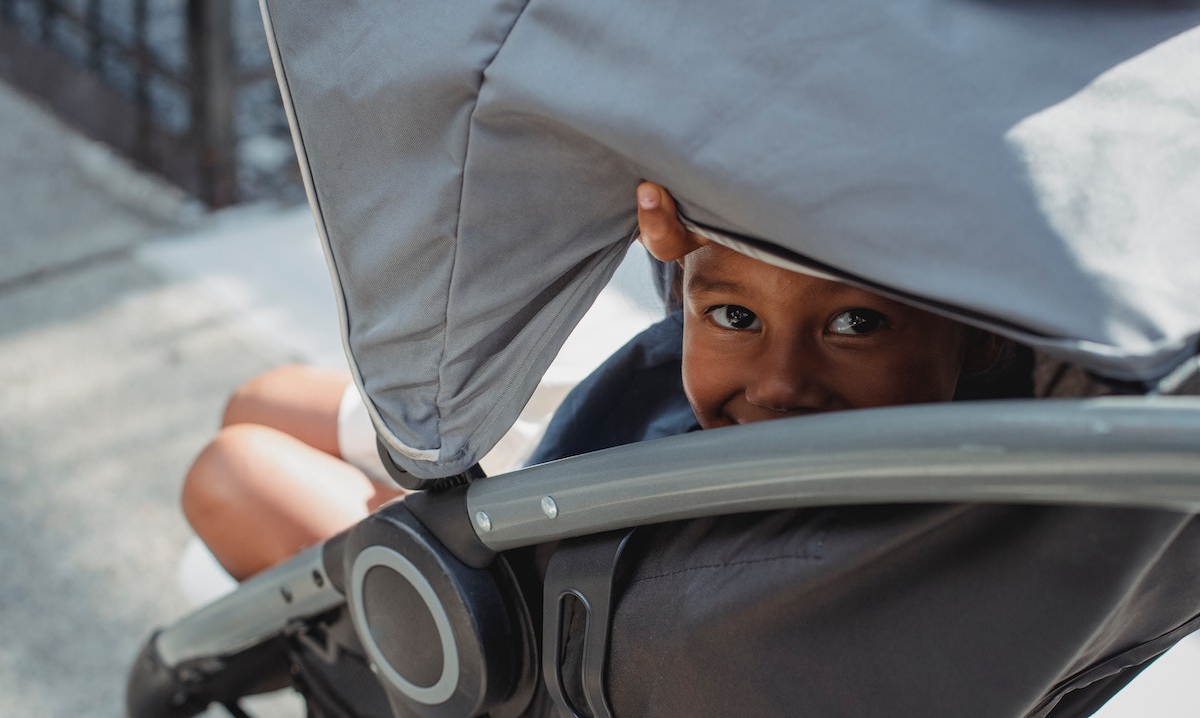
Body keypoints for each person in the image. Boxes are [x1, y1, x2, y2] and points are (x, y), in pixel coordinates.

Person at [183, 181, 1012, 580]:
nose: (783, 384)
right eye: (734, 318)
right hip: (614, 435)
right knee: (264, 395)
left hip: (524, 584)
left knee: (232, 470)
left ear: (978, 339)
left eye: (855, 324)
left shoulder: (826, 559)